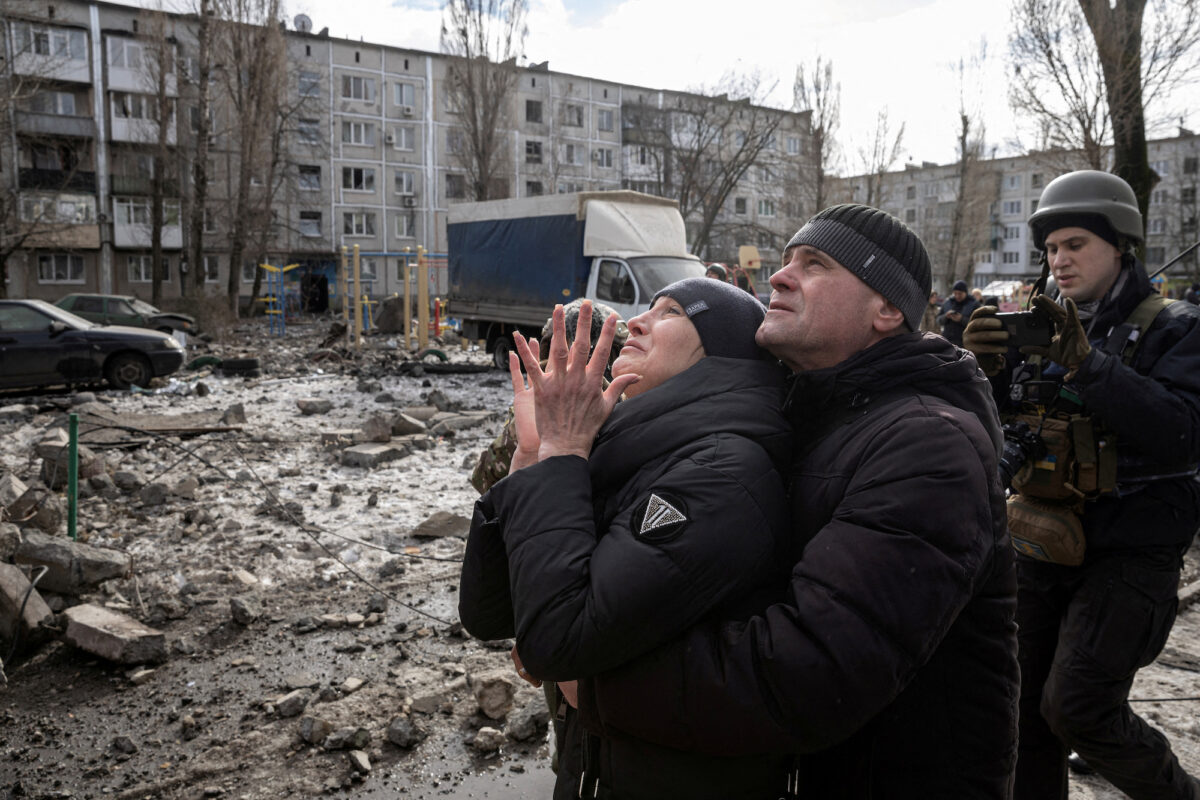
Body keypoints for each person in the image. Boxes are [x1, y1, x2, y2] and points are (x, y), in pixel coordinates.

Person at [529, 204, 1019, 797]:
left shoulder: (928, 444)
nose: (780, 277)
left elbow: (809, 673)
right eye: (786, 261)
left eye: (815, 265)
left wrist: (596, 680)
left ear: (887, 309)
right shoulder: (816, 415)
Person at [459, 278, 794, 799]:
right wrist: (533, 457)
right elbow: (491, 615)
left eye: (673, 312)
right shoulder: (630, 447)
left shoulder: (723, 471)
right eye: (649, 307)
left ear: (722, 355)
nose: (637, 321)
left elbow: (557, 640)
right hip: (597, 767)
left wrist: (564, 451)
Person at [964, 170, 1200, 800]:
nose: (1059, 260)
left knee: (1077, 708)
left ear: (1120, 245)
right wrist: (981, 373)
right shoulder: (1038, 328)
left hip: (1130, 549)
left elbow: (1182, 432)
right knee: (1018, 709)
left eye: (1076, 244)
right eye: (1050, 249)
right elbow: (1002, 429)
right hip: (1042, 537)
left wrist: (1089, 365)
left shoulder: (1175, 327)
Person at [938, 278, 979, 345]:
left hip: (966, 343)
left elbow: (978, 324)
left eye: (960, 294)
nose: (957, 296)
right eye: (955, 293)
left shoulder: (974, 304)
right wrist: (946, 316)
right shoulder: (947, 303)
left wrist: (962, 319)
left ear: (965, 292)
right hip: (948, 342)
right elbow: (938, 320)